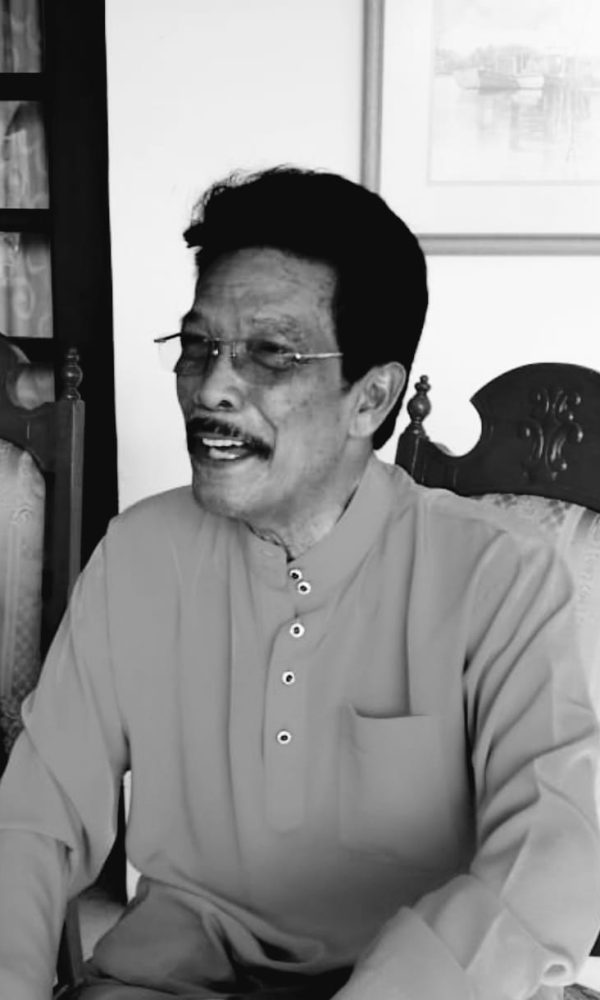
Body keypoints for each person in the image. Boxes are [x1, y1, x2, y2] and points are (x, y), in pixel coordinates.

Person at [0, 166, 599, 1000]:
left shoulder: (498, 573)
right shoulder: (139, 554)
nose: (212, 387)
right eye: (199, 347)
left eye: (270, 355)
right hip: (173, 982)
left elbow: (555, 850)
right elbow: (34, 820)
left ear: (372, 398)